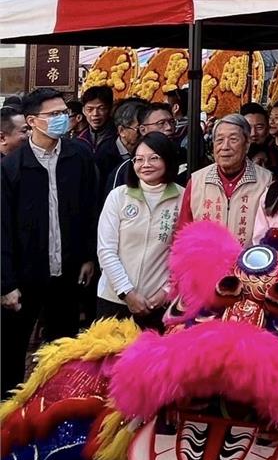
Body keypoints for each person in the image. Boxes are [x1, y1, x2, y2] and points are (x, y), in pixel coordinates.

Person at [1, 88, 98, 395]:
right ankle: (8, 412)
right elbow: (3, 229)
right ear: (32, 121)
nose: (62, 119)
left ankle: (56, 408)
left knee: (63, 349)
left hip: (67, 272)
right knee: (12, 352)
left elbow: (90, 209)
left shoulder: (79, 156)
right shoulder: (12, 167)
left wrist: (88, 256)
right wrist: (6, 283)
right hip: (25, 277)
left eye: (64, 113)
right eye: (54, 114)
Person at [95, 132, 182, 329]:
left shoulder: (183, 197)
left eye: (154, 158)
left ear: (168, 160)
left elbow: (183, 255)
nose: (145, 165)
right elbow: (106, 250)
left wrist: (166, 292)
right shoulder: (118, 196)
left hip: (157, 302)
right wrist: (127, 293)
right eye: (139, 159)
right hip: (114, 299)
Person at [174, 113, 274, 245]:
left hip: (248, 257)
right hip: (206, 258)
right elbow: (183, 232)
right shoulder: (197, 180)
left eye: (233, 140)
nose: (225, 147)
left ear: (247, 144)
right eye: (219, 140)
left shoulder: (266, 181)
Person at [97, 99, 146, 195]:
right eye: (139, 129)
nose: (144, 133)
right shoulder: (104, 155)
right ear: (122, 131)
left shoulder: (148, 150)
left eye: (146, 128)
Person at [77, 85, 115, 155]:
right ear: (83, 111)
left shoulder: (119, 137)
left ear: (110, 109)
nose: (95, 114)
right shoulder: (80, 139)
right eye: (90, 109)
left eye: (101, 108)